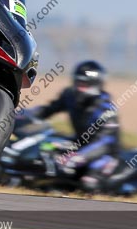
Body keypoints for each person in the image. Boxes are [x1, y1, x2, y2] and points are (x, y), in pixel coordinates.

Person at [32, 60, 121, 191]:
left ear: (95, 84)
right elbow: (47, 110)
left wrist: (77, 157)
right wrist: (23, 115)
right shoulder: (69, 96)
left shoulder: (105, 108)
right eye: (78, 82)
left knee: (89, 184)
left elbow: (105, 142)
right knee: (44, 147)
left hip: (103, 154)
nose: (80, 87)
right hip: (78, 144)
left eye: (84, 84)